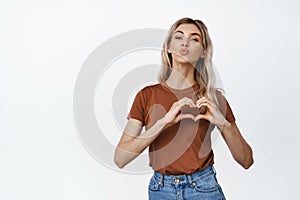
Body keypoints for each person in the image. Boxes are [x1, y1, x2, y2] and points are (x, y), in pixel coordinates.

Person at [114, 17, 254, 200]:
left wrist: (224, 124)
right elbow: (120, 159)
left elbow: (246, 161)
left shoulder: (213, 98)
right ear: (169, 47)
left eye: (194, 39)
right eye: (178, 37)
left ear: (203, 53)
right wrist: (163, 122)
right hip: (160, 190)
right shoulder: (146, 95)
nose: (185, 42)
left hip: (203, 189)